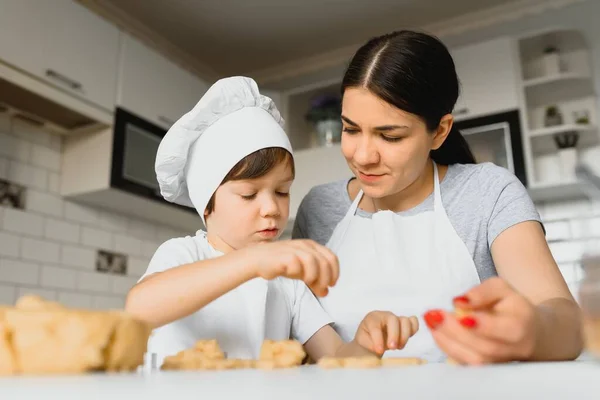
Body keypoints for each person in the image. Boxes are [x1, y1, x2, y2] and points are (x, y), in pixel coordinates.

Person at [293, 30, 583, 365]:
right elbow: (296, 330)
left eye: (389, 136)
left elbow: (567, 325)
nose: (363, 156)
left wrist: (534, 330)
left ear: (440, 131)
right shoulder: (317, 208)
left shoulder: (487, 193)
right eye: (351, 129)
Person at [125, 76, 418, 368]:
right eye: (249, 194)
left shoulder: (288, 282)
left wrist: (365, 345)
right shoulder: (184, 255)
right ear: (207, 204)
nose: (271, 208)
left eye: (282, 191)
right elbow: (140, 308)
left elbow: (336, 359)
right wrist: (252, 261)